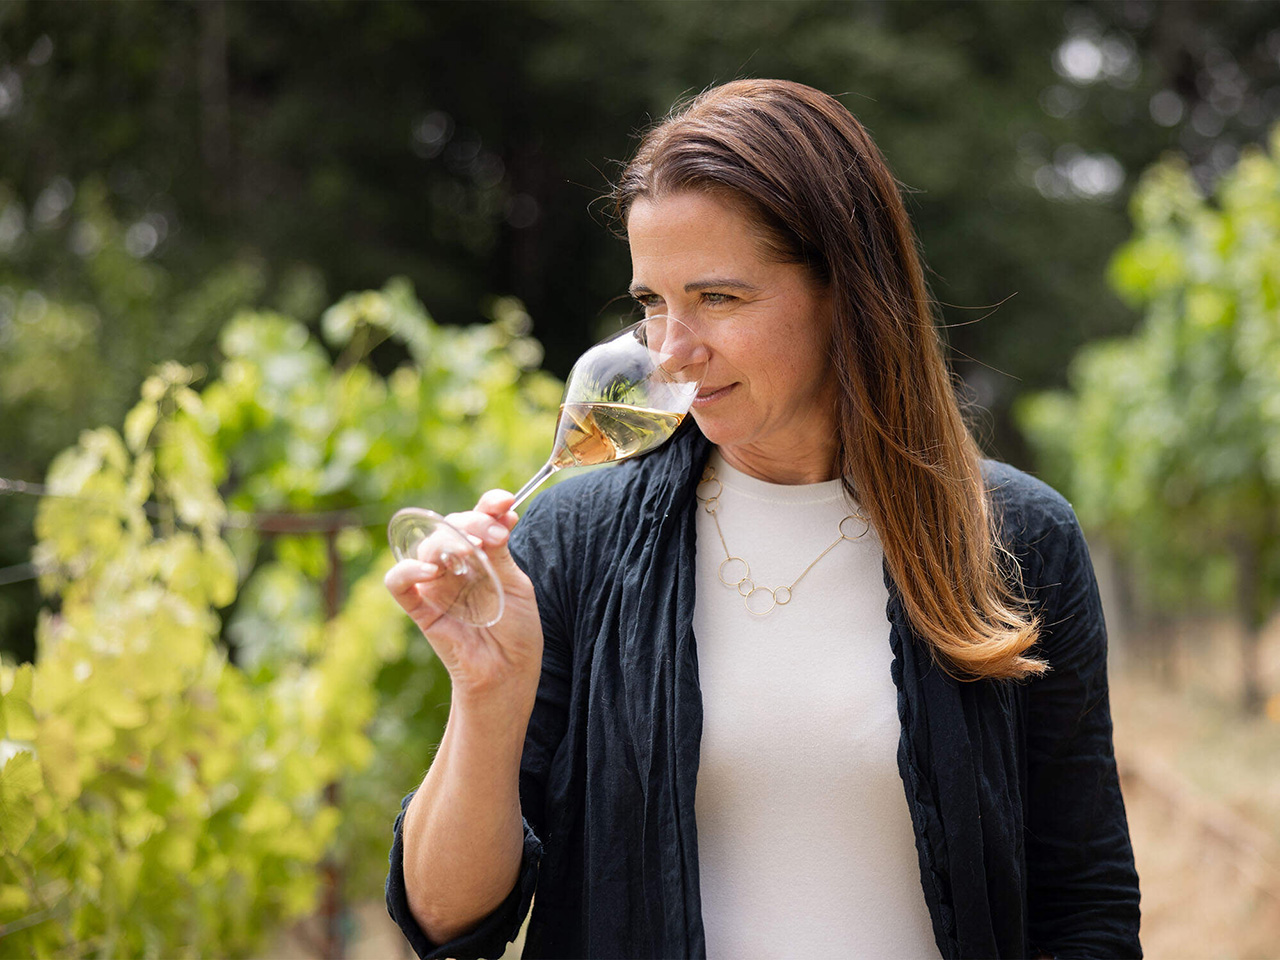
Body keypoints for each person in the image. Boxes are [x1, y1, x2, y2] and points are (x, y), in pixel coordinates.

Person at [384, 79, 1142, 959]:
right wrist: (487, 697)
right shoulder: (573, 544)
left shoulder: (1016, 537)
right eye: (650, 304)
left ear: (846, 291)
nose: (671, 352)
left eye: (717, 299)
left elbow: (1084, 906)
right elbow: (446, 925)